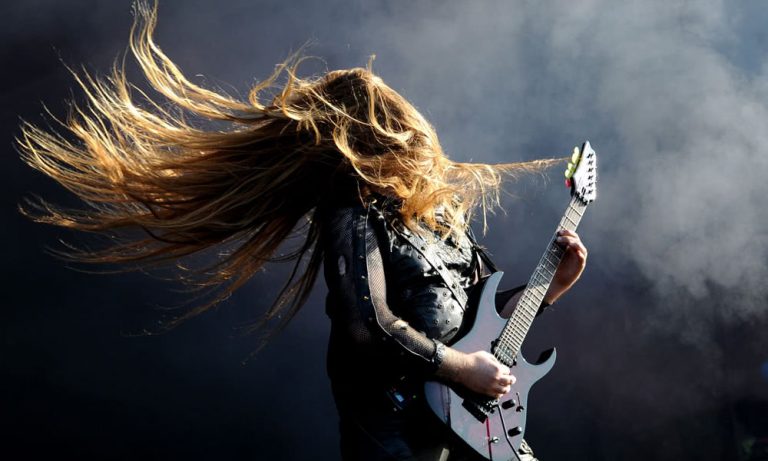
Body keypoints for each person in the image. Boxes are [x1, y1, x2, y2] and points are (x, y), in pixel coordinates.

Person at [17, 2, 587, 460]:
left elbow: (481, 327)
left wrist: (552, 287)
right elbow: (369, 325)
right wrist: (463, 368)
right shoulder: (352, 213)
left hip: (474, 435)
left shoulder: (445, 224)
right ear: (373, 139)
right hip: (395, 437)